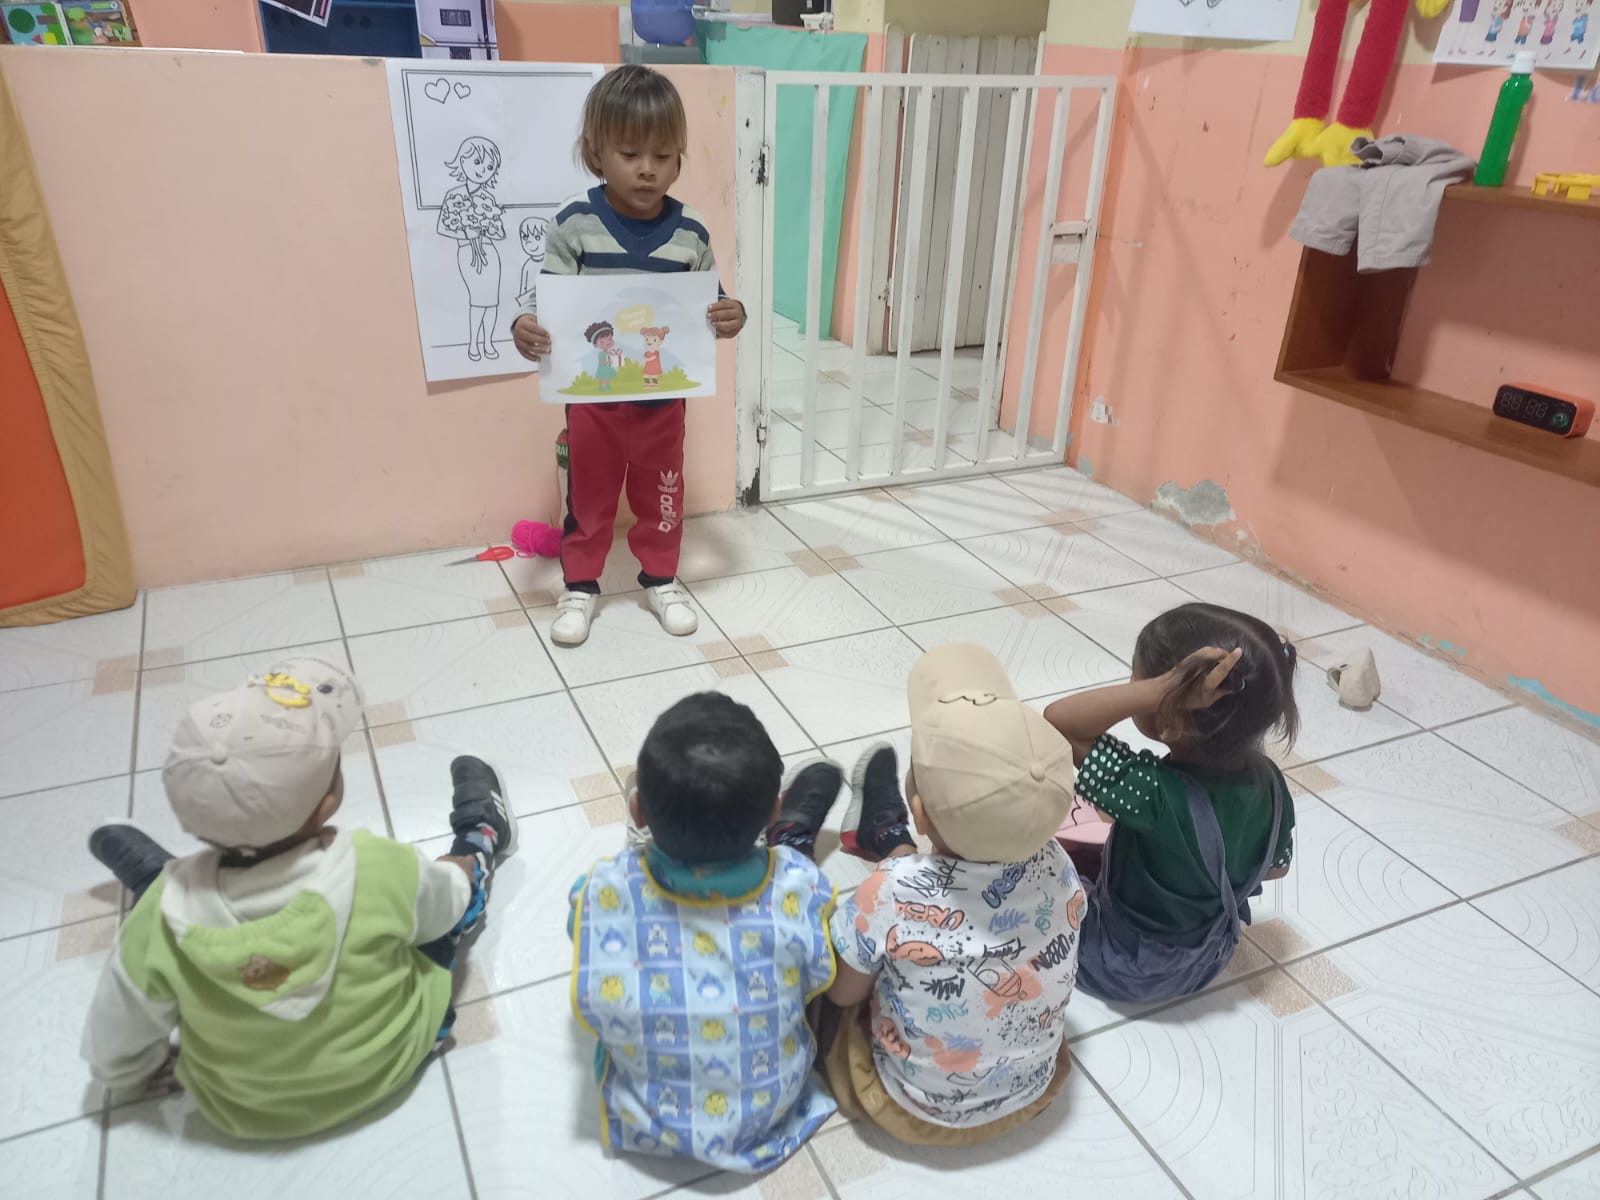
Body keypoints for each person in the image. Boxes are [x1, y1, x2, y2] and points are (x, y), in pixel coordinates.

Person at [79, 657, 516, 1140]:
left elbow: (114, 1041)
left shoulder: (157, 920)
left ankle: (155, 875)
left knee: (172, 905)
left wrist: (134, 1073)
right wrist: (455, 875)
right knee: (448, 893)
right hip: (389, 1064)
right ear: (329, 798)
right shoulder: (378, 865)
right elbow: (444, 910)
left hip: (243, 1111)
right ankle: (482, 832)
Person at [792, 644, 1085, 1145]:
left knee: (832, 970)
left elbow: (844, 995)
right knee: (912, 903)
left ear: (921, 814)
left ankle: (810, 849)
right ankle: (885, 835)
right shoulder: (1060, 864)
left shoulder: (888, 890)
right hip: (1033, 1090)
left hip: (910, 1107)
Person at [510, 64, 747, 648]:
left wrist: (732, 313)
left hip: (662, 405)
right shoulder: (574, 224)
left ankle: (661, 579)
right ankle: (579, 587)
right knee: (588, 501)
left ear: (679, 159)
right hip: (592, 405)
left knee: (662, 495)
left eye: (663, 155)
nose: (647, 169)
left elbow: (710, 304)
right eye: (630, 153)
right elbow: (543, 301)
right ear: (596, 153)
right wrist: (524, 326)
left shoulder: (690, 232)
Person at [568, 692, 838, 1172]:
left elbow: (579, 932)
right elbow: (817, 977)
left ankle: (649, 853)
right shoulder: (802, 884)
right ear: (773, 812)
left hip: (647, 1122)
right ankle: (787, 839)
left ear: (637, 810)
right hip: (772, 1117)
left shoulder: (601, 889)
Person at [1043, 603, 1298, 1004]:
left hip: (1118, 964)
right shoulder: (1272, 782)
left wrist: (1159, 691)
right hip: (1208, 956)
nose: (1133, 686)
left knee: (1031, 876)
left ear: (1173, 717)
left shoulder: (1151, 793)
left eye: (1138, 680)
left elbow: (1058, 724)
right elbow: (1277, 867)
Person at [438, 136, 506, 363]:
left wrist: (488, 224)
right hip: (467, 252)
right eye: (477, 162)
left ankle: (488, 342)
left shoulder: (488, 198)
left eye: (489, 166)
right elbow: (443, 227)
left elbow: (499, 233)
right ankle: (474, 343)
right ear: (462, 161)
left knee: (492, 301)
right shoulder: (454, 195)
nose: (483, 170)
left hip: (489, 252)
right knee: (478, 299)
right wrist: (467, 233)